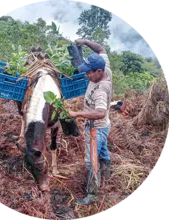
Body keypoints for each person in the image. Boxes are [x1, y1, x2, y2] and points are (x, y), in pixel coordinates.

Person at [68, 39, 113, 205]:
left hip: (97, 128)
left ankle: (92, 195)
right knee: (102, 152)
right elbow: (101, 48)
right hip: (105, 125)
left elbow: (100, 113)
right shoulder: (105, 66)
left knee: (90, 161)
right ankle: (107, 171)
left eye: (89, 73)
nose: (86, 75)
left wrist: (77, 114)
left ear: (99, 71)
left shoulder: (101, 89)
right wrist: (85, 42)